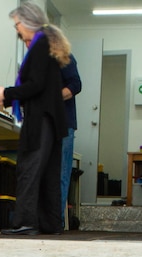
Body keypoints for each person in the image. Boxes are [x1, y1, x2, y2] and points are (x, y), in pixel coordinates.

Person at [0, 3, 71, 235]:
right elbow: (40, 86)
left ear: (28, 22)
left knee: (29, 169)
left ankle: (25, 223)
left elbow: (36, 85)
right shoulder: (45, 43)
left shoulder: (40, 44)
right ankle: (49, 223)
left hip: (41, 118)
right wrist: (5, 97)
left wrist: (7, 94)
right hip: (52, 120)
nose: (17, 30)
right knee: (47, 174)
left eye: (18, 25)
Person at [60, 54, 81, 230]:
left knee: (61, 172)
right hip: (44, 123)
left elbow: (75, 85)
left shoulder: (64, 57)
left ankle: (56, 220)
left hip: (64, 122)